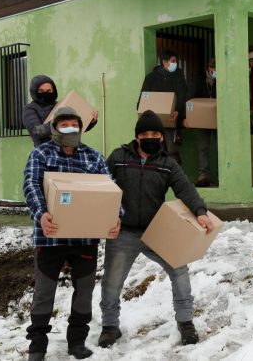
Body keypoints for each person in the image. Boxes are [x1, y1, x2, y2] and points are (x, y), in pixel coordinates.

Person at [98, 110, 215, 348]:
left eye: (154, 133)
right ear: (137, 137)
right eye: (144, 133)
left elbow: (185, 189)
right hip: (124, 233)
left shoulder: (167, 164)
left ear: (161, 137)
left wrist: (200, 212)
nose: (149, 137)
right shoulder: (119, 157)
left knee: (179, 271)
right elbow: (102, 187)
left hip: (157, 231)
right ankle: (110, 327)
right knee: (111, 282)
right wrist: (105, 218)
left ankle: (185, 322)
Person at [22, 106, 120, 361]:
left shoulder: (93, 158)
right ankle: (37, 346)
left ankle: (77, 341)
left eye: (74, 125)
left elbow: (110, 190)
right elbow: (31, 185)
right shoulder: (40, 155)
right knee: (44, 292)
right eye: (64, 125)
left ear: (81, 128)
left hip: (85, 238)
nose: (70, 129)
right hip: (50, 235)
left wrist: (115, 217)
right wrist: (41, 214)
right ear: (55, 128)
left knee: (84, 290)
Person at [139, 50, 188, 163]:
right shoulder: (151, 78)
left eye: (176, 61)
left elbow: (182, 96)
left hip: (172, 120)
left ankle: (176, 178)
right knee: (157, 151)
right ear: (164, 62)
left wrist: (178, 111)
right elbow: (142, 100)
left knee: (172, 151)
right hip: (155, 122)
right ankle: (160, 178)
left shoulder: (179, 77)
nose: (175, 64)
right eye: (173, 61)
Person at [22, 75, 98, 147]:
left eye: (49, 90)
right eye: (41, 91)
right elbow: (35, 132)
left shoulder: (60, 105)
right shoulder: (30, 109)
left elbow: (77, 128)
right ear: (34, 91)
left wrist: (91, 121)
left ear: (54, 91)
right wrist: (57, 123)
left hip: (68, 149)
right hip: (46, 152)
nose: (46, 93)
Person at [184, 58, 217, 187]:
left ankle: (223, 175)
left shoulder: (223, 80)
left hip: (218, 118)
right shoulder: (198, 80)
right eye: (213, 69)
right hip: (202, 119)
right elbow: (189, 98)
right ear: (209, 68)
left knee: (221, 147)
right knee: (203, 147)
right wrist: (187, 117)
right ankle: (203, 176)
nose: (215, 71)